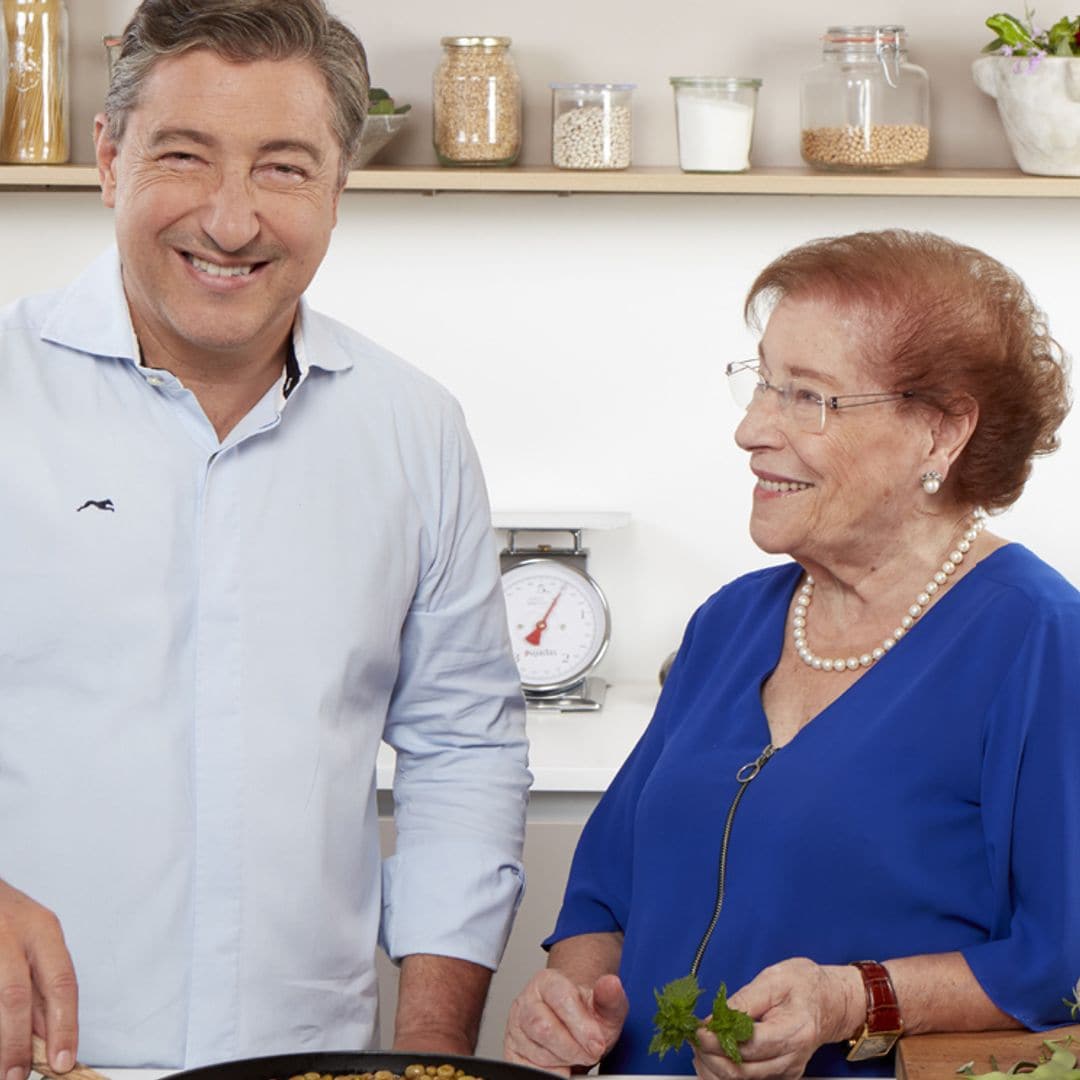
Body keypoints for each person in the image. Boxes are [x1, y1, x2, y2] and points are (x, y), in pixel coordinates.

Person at [0, 0, 530, 1075]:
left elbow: (464, 747)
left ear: (341, 186)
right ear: (108, 159)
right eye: (184, 156)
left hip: (305, 1055)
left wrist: (429, 1056)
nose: (231, 220)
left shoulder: (412, 427)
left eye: (284, 168)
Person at [503, 229, 1080, 1080]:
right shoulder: (731, 622)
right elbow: (606, 887)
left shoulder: (1040, 641)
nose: (750, 430)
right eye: (763, 383)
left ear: (941, 433)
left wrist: (849, 1001)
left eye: (807, 397)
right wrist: (567, 996)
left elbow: (1059, 960)